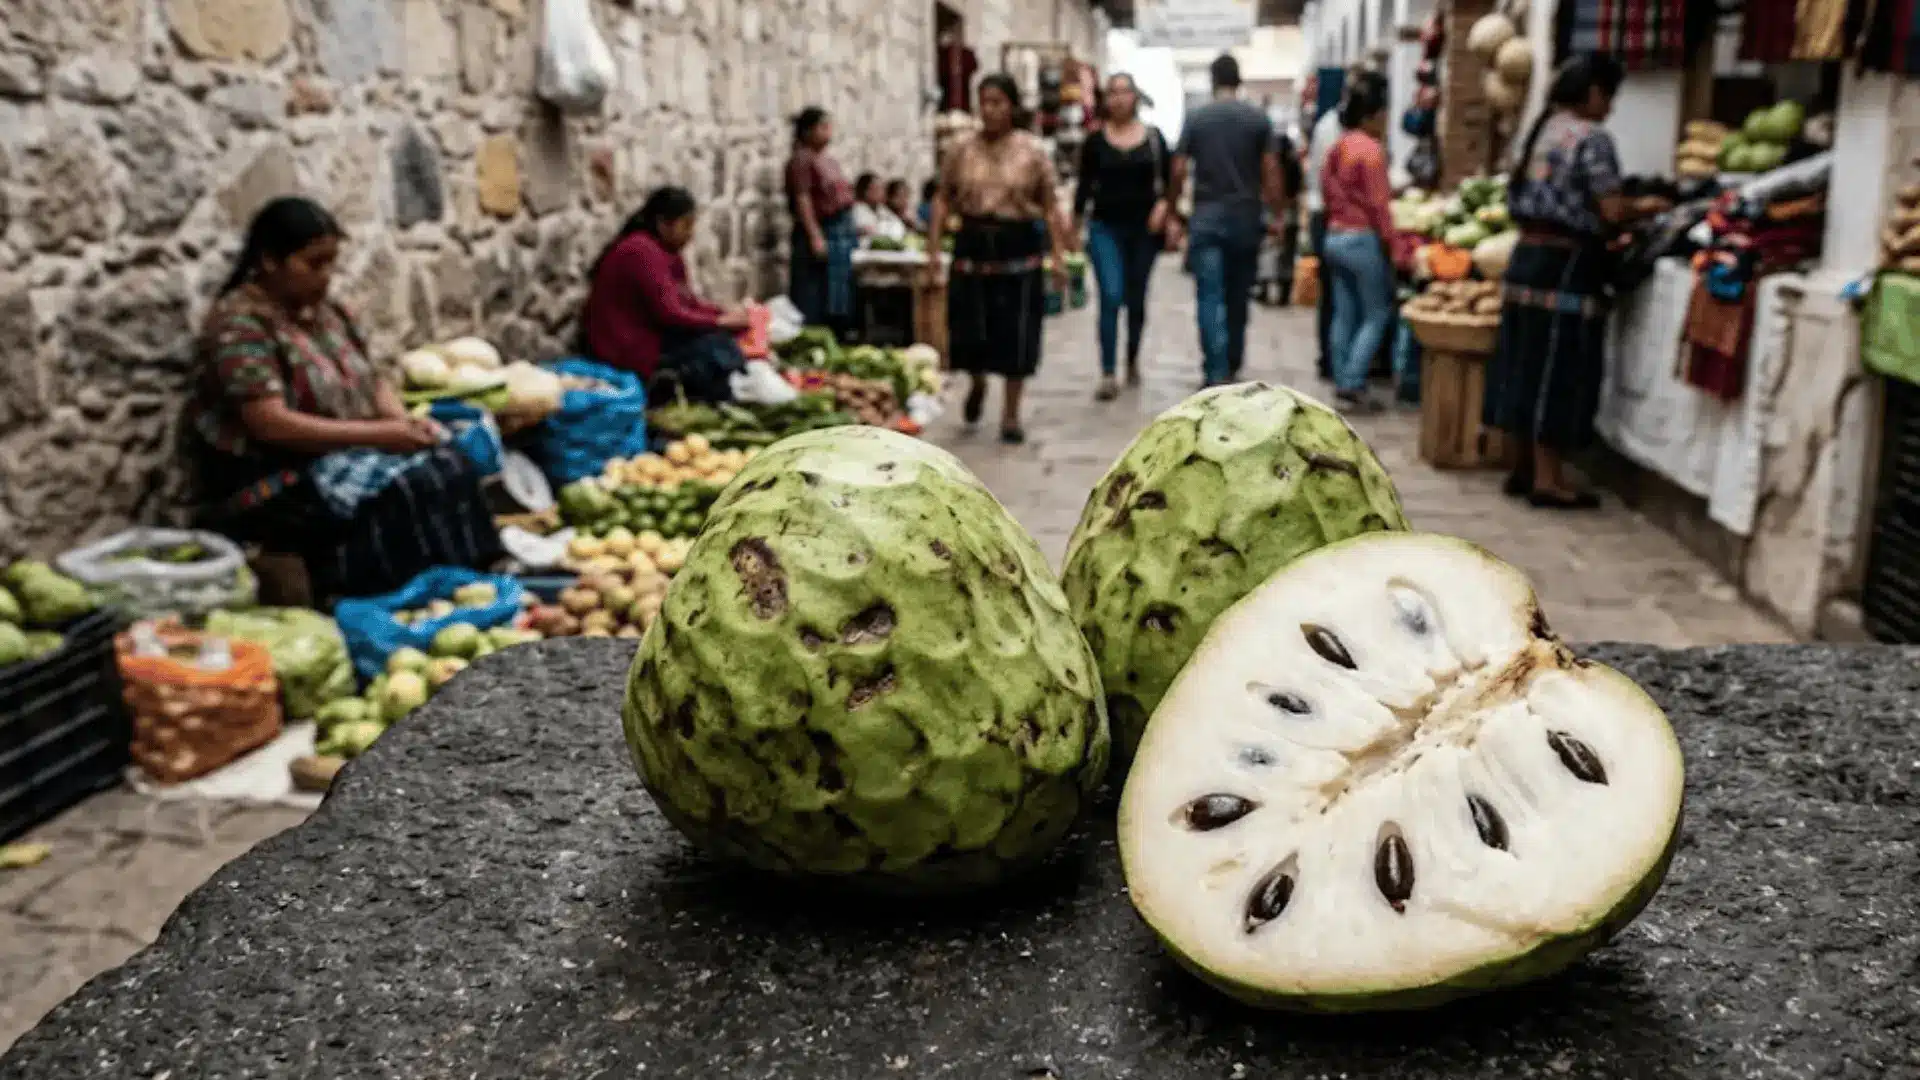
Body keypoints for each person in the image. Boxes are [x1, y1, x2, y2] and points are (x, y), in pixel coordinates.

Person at [190, 196, 501, 600]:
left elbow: (371, 381)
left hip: (349, 449)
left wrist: (400, 423)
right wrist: (377, 436)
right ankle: (396, 599)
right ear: (269, 262)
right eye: (313, 264)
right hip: (277, 475)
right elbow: (269, 423)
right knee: (408, 487)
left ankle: (471, 583)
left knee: (452, 461)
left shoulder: (329, 313)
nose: (326, 277)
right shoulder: (239, 325)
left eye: (330, 263)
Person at [1484, 53, 1664, 510]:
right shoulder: (1592, 138)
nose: (1611, 106)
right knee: (1559, 368)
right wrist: (1647, 207)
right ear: (1594, 93)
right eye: (1610, 95)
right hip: (1567, 265)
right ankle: (1549, 480)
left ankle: (1522, 468)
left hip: (1526, 258)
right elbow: (1611, 211)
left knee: (1524, 361)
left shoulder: (1538, 129)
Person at [925, 73, 1073, 445]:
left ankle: (1010, 412)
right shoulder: (961, 150)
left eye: (997, 102)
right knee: (969, 329)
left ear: (1011, 106)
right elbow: (943, 198)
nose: (989, 110)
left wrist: (1058, 255)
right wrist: (932, 250)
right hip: (972, 243)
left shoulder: (1032, 151)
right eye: (984, 102)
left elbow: (1051, 206)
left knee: (1017, 332)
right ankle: (976, 382)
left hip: (1017, 244)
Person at [1166, 53, 1292, 387]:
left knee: (1209, 295)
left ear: (1213, 80)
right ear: (1239, 80)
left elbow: (1178, 168)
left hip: (1206, 218)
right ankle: (1233, 362)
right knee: (1238, 295)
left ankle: (1215, 370)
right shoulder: (1257, 119)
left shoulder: (1197, 118)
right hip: (1245, 219)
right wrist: (1277, 214)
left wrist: (1172, 209)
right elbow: (1271, 170)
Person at [579, 186, 752, 402]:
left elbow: (688, 301)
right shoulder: (640, 251)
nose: (691, 234)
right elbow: (670, 313)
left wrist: (722, 313)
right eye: (686, 226)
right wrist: (720, 321)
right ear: (663, 225)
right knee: (712, 350)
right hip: (624, 348)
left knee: (717, 341)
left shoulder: (667, 253)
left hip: (653, 336)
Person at [1073, 72, 1172, 400]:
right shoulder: (1094, 141)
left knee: (1136, 299)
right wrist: (1073, 227)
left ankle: (1131, 357)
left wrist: (1165, 208)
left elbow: (1171, 182)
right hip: (1105, 228)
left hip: (1144, 231)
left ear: (1135, 97)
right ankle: (1107, 371)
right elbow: (1083, 187)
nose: (1117, 98)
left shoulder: (1155, 139)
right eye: (1112, 93)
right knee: (1111, 295)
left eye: (1124, 92)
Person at [1319, 78, 1403, 412]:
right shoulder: (1370, 150)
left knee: (1344, 313)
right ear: (1372, 115)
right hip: (1361, 239)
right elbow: (1380, 205)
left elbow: (1326, 192)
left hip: (1334, 236)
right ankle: (1353, 382)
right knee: (1377, 313)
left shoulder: (1337, 147)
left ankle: (1342, 379)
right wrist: (1393, 245)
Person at [785, 107, 858, 333]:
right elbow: (803, 198)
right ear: (808, 131)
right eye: (822, 127)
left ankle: (837, 328)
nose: (828, 132)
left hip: (839, 229)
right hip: (822, 228)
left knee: (836, 288)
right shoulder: (801, 161)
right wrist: (815, 235)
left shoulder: (827, 159)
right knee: (814, 289)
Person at [851, 173, 908, 244]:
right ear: (866, 191)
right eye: (878, 188)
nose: (882, 192)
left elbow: (898, 226)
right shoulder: (856, 210)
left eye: (882, 188)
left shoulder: (882, 209)